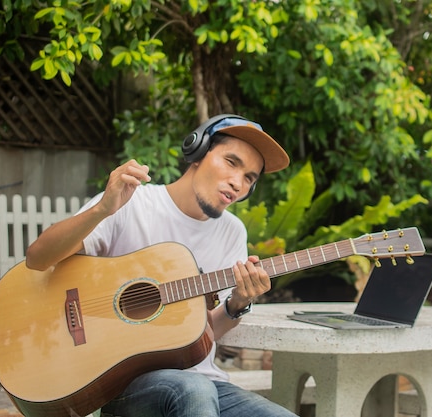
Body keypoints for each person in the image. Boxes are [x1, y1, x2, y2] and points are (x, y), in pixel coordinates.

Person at [25, 115, 298, 417]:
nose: (238, 183)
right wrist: (104, 208)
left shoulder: (232, 232)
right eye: (231, 162)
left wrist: (239, 302)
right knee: (194, 392)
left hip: (204, 383)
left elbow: (207, 332)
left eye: (249, 178)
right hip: (125, 385)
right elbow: (38, 258)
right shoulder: (132, 204)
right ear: (198, 151)